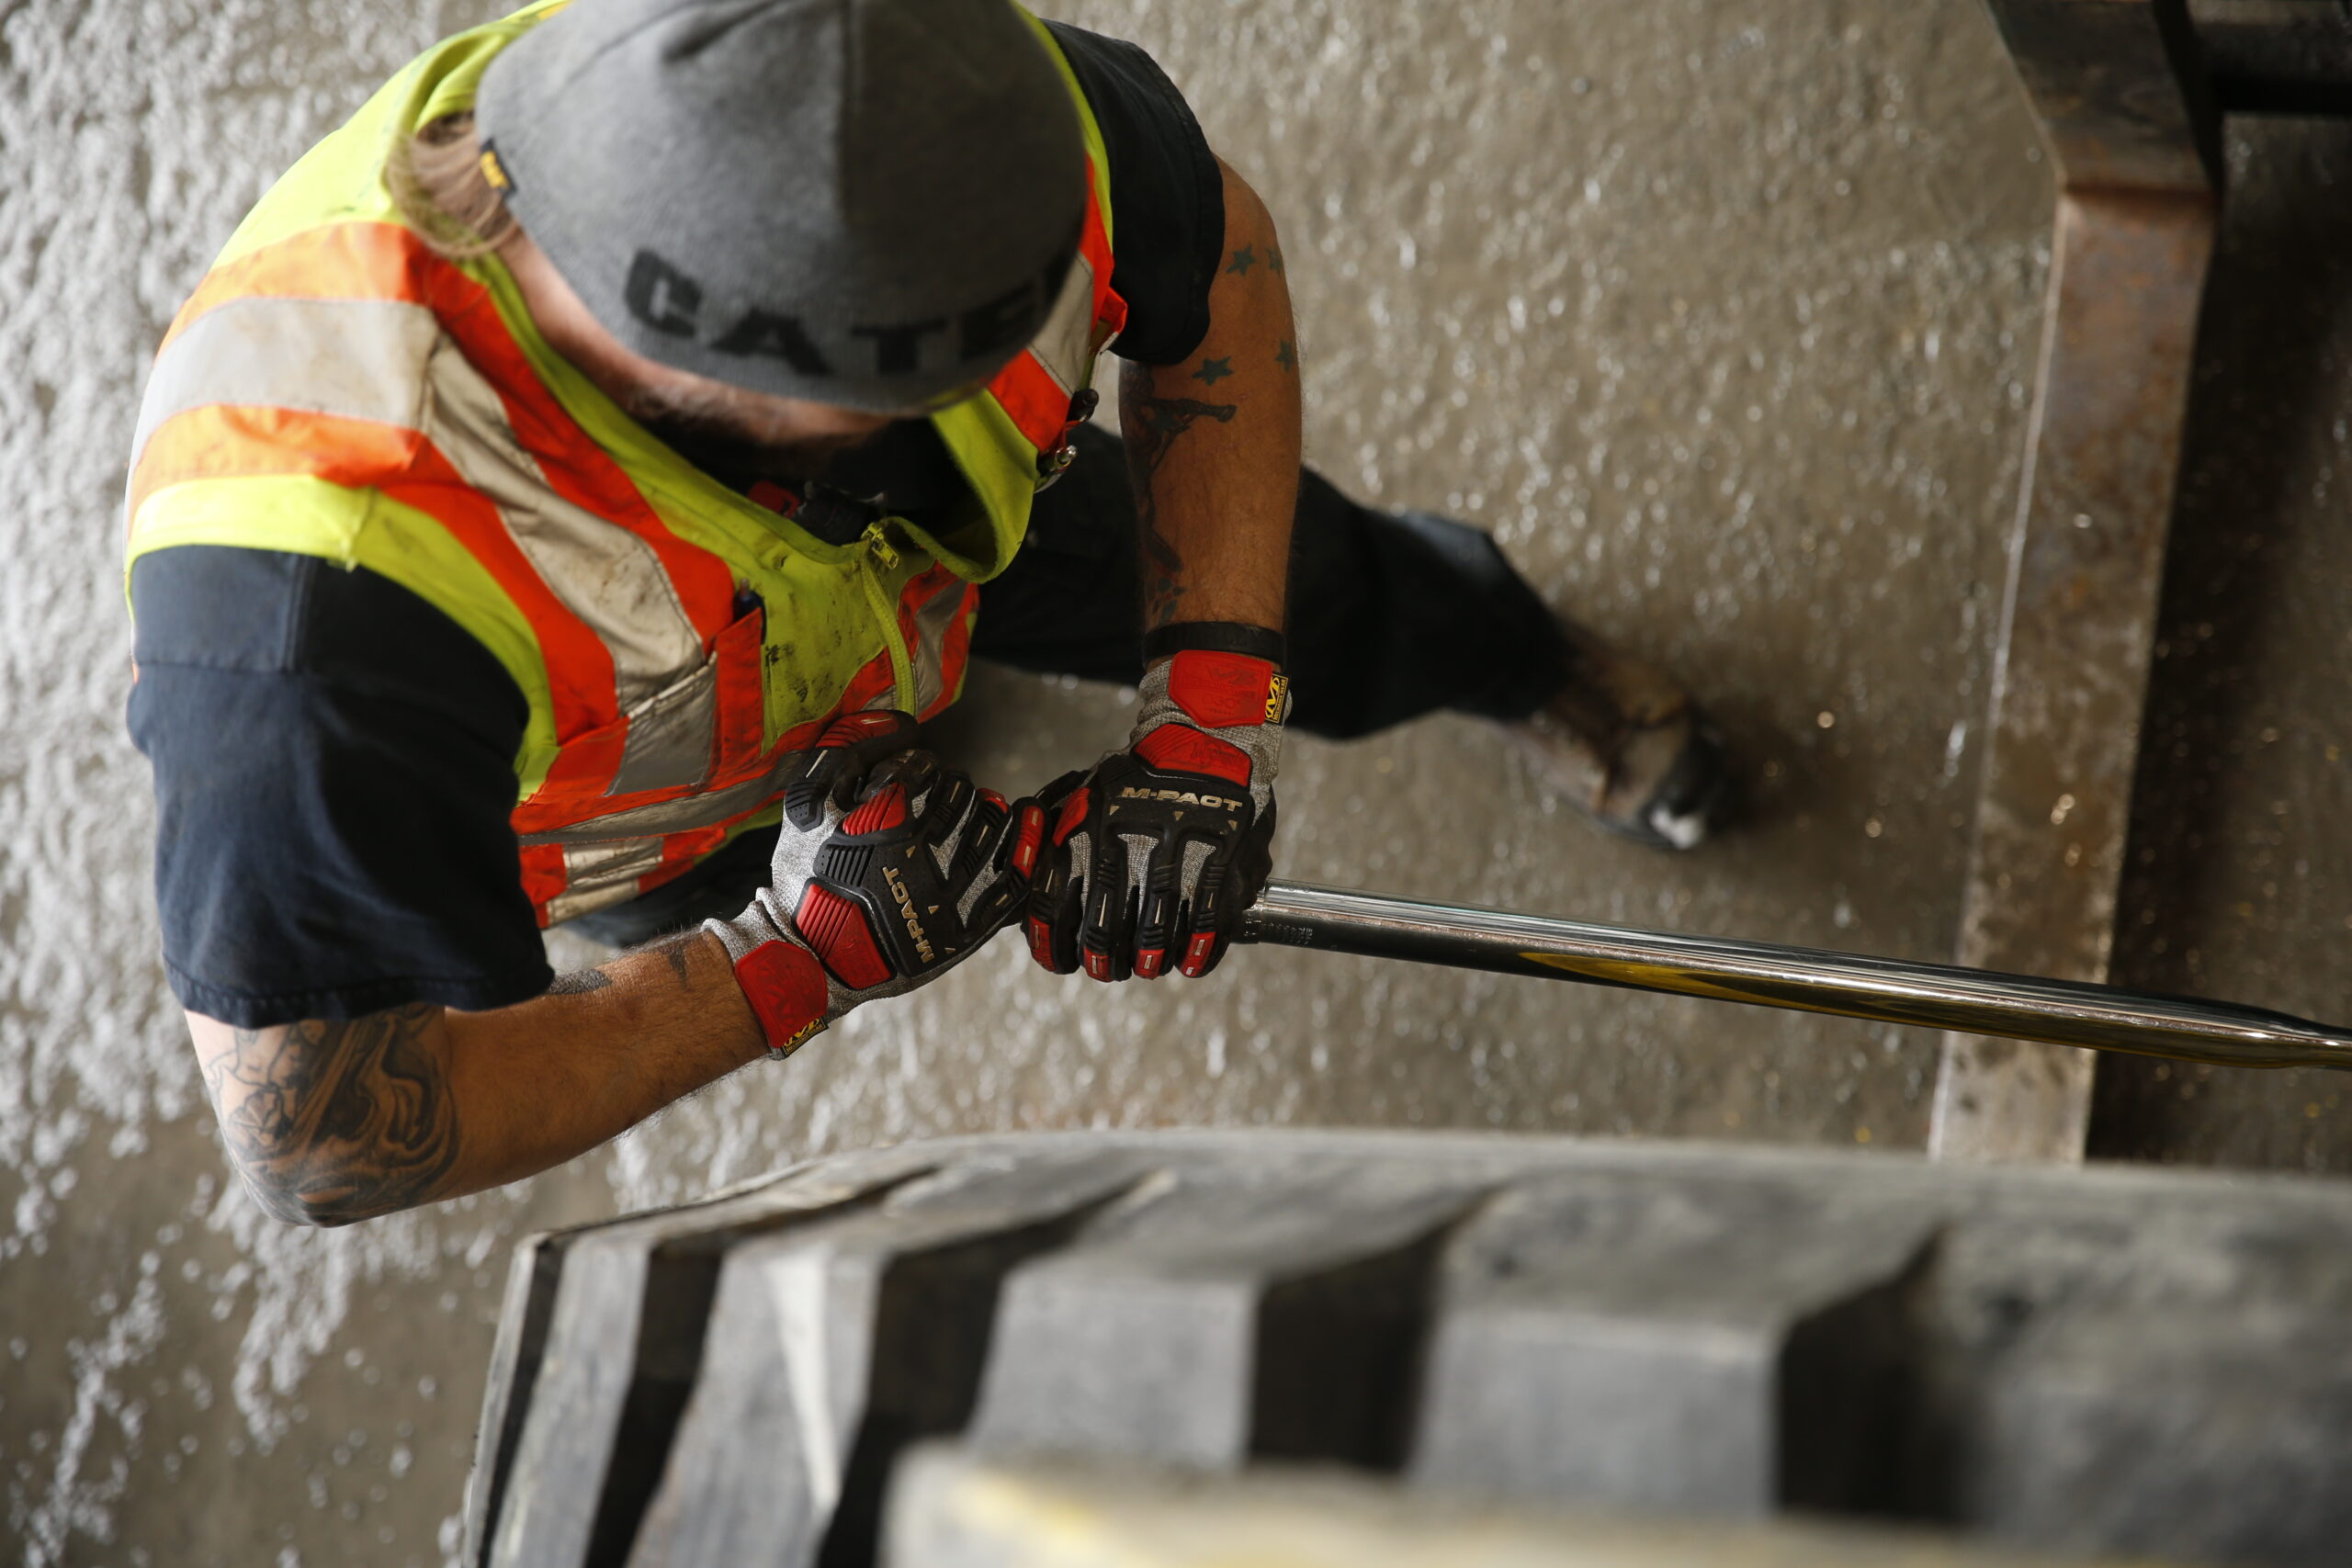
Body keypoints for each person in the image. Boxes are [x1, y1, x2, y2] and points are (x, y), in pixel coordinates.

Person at [125, 0, 1730, 1227]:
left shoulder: (901, 78)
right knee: (815, 888)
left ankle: (1514, 655)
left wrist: (1210, 714)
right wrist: (783, 960)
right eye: (974, 352)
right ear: (740, 378)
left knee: (1312, 589)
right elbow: (322, 1133)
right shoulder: (320, 651)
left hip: (915, 548)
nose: (1061, 333)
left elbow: (1214, 245)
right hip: (651, 792)